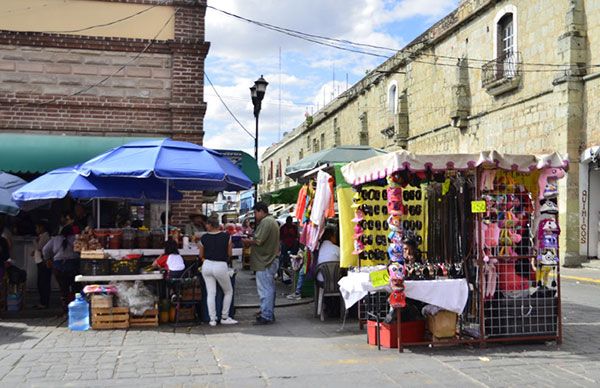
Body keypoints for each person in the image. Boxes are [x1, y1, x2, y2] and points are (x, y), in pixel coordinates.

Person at [242, 202, 280, 325]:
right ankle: (268, 312)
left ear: (261, 211)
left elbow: (258, 240)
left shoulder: (266, 222)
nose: (255, 215)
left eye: (255, 212)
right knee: (269, 288)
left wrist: (247, 241)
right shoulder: (272, 221)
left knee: (265, 289)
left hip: (265, 261)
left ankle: (266, 315)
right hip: (270, 259)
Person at [198, 216, 237, 326]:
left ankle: (212, 319)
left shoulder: (204, 238)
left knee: (211, 293)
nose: (206, 226)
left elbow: (201, 255)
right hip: (220, 265)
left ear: (210, 225)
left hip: (207, 265)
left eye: (207, 224)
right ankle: (224, 317)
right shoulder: (226, 237)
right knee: (228, 291)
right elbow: (230, 254)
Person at [43, 211, 81, 312]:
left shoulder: (55, 239)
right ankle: (76, 306)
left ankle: (65, 307)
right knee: (75, 287)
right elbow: (80, 250)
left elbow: (45, 250)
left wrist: (47, 259)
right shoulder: (75, 239)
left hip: (58, 266)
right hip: (73, 265)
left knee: (63, 289)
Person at [33, 220, 51, 309]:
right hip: (39, 262)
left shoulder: (45, 236)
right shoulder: (41, 236)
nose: (36, 229)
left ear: (42, 227)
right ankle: (42, 301)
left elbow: (40, 247)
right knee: (41, 283)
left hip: (43, 262)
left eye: (37, 227)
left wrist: (35, 241)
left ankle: (44, 302)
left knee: (43, 283)